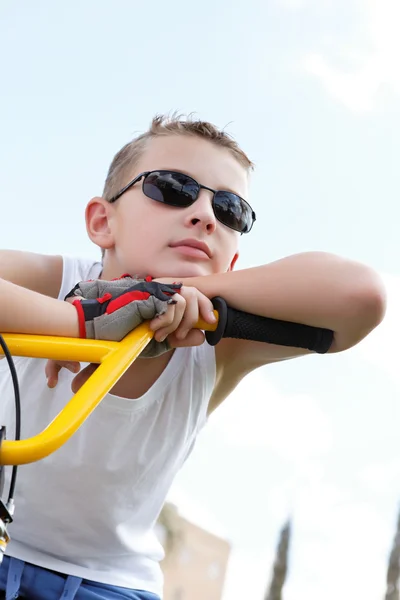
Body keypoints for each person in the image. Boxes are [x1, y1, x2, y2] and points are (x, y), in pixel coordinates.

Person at [0, 114, 386, 599]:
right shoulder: (51, 281)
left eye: (231, 210)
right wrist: (85, 319)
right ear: (103, 222)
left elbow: (361, 296)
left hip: (108, 584)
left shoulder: (219, 341)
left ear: (233, 263)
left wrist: (165, 293)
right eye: (172, 188)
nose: (205, 213)